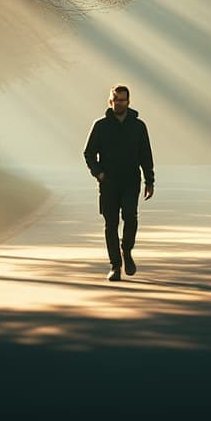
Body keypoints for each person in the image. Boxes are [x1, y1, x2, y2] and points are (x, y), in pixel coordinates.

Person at [83, 84, 155, 282]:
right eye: (116, 100)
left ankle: (127, 250)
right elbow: (88, 153)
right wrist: (98, 173)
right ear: (110, 101)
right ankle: (115, 265)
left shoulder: (138, 126)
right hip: (109, 183)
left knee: (131, 217)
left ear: (128, 102)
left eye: (123, 100)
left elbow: (145, 154)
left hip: (131, 181)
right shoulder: (101, 126)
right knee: (111, 224)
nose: (120, 103)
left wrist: (150, 180)